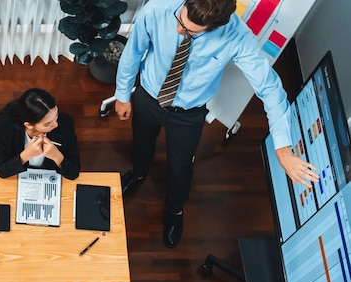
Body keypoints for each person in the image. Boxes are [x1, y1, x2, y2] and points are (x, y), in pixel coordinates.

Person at [114, 0, 320, 248]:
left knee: (181, 167)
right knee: (141, 141)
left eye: (190, 31)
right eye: (181, 20)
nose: (180, 30)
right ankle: (138, 174)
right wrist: (123, 94)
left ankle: (175, 211)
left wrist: (283, 147)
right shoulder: (158, 9)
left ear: (215, 26)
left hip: (188, 114)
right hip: (148, 96)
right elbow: (134, 52)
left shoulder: (236, 36)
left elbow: (271, 89)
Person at [0, 88, 81, 179]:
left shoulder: (66, 123)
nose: (56, 124)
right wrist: (25, 156)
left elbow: (74, 172)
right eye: (47, 124)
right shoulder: (6, 126)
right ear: (29, 125)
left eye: (56, 116)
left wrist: (57, 156)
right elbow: (1, 170)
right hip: (16, 176)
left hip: (49, 176)